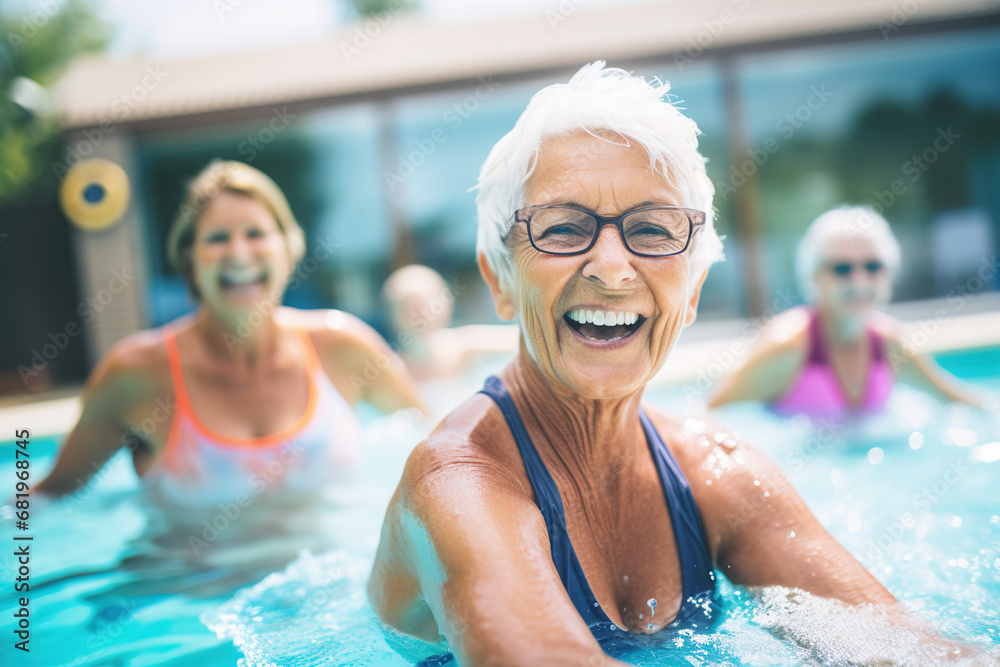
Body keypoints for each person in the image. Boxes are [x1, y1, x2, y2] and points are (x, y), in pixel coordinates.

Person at [367, 64, 971, 666]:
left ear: (693, 291)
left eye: (652, 230)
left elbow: (906, 650)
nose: (611, 266)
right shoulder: (457, 484)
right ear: (499, 276)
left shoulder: (714, 470)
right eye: (563, 227)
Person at [34, 160, 425, 506]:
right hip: (184, 589)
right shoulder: (136, 373)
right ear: (189, 258)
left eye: (255, 233)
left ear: (288, 248)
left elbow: (441, 446)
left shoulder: (344, 345)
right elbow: (46, 499)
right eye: (218, 238)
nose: (238, 253)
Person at [708, 205, 990, 415]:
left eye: (872, 266)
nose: (859, 280)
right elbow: (709, 414)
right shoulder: (789, 345)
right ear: (813, 277)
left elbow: (958, 400)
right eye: (842, 269)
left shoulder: (889, 343)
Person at [382, 264, 517, 381]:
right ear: (393, 316)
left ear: (444, 307)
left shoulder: (468, 346)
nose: (418, 316)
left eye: (423, 306)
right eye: (406, 308)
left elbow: (525, 340)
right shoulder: (392, 370)